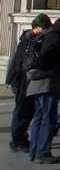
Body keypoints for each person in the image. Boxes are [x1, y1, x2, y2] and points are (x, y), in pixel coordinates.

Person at [27, 15, 60, 164]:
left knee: (39, 116)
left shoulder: (39, 36)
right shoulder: (53, 37)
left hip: (35, 81)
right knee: (49, 118)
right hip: (47, 82)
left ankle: (34, 150)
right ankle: (43, 152)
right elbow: (47, 57)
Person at [5, 20, 44, 152]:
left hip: (22, 81)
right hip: (21, 81)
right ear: (36, 27)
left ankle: (20, 138)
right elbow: (20, 63)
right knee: (21, 112)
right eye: (43, 27)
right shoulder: (28, 41)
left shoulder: (30, 39)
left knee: (25, 111)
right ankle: (16, 141)